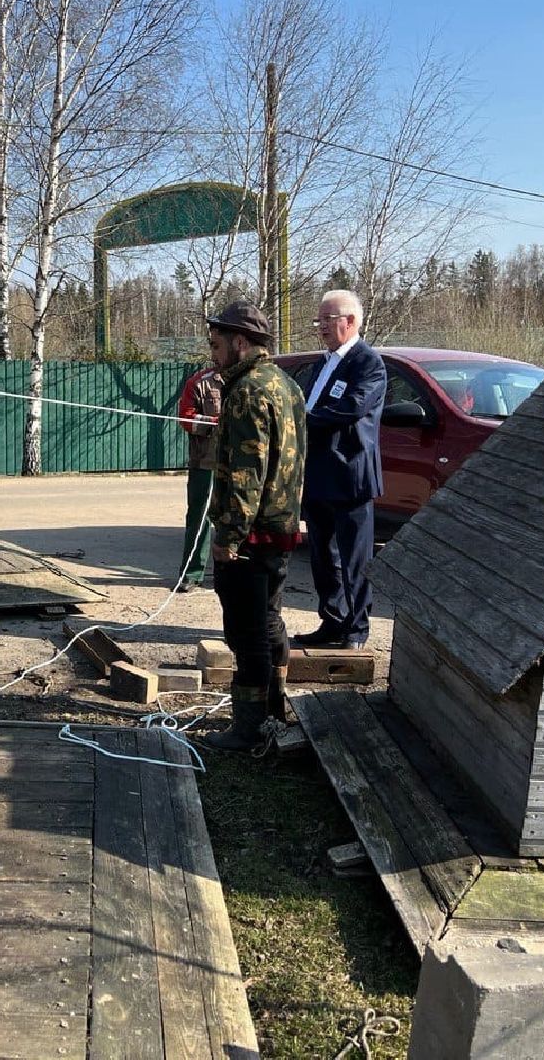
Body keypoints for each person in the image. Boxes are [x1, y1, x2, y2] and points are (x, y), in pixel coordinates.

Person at [200, 299, 306, 752]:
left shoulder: (246, 392)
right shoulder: (286, 384)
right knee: (269, 623)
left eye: (217, 343)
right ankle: (274, 712)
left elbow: (247, 474)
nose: (212, 352)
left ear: (240, 342)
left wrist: (227, 537)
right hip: (279, 529)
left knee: (246, 633)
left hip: (251, 535)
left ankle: (248, 729)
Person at [295, 289, 386, 650]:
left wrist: (302, 420)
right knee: (322, 556)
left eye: (327, 320)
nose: (321, 327)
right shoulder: (323, 363)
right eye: (319, 320)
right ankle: (331, 621)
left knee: (354, 559)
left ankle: (357, 629)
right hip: (317, 474)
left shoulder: (368, 363)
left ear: (350, 321)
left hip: (350, 476)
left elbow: (350, 408)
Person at [174, 364, 222, 593]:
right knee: (199, 518)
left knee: (239, 520)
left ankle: (234, 575)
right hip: (205, 464)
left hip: (241, 466)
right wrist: (214, 423)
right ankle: (192, 573)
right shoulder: (200, 382)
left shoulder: (250, 379)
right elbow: (186, 418)